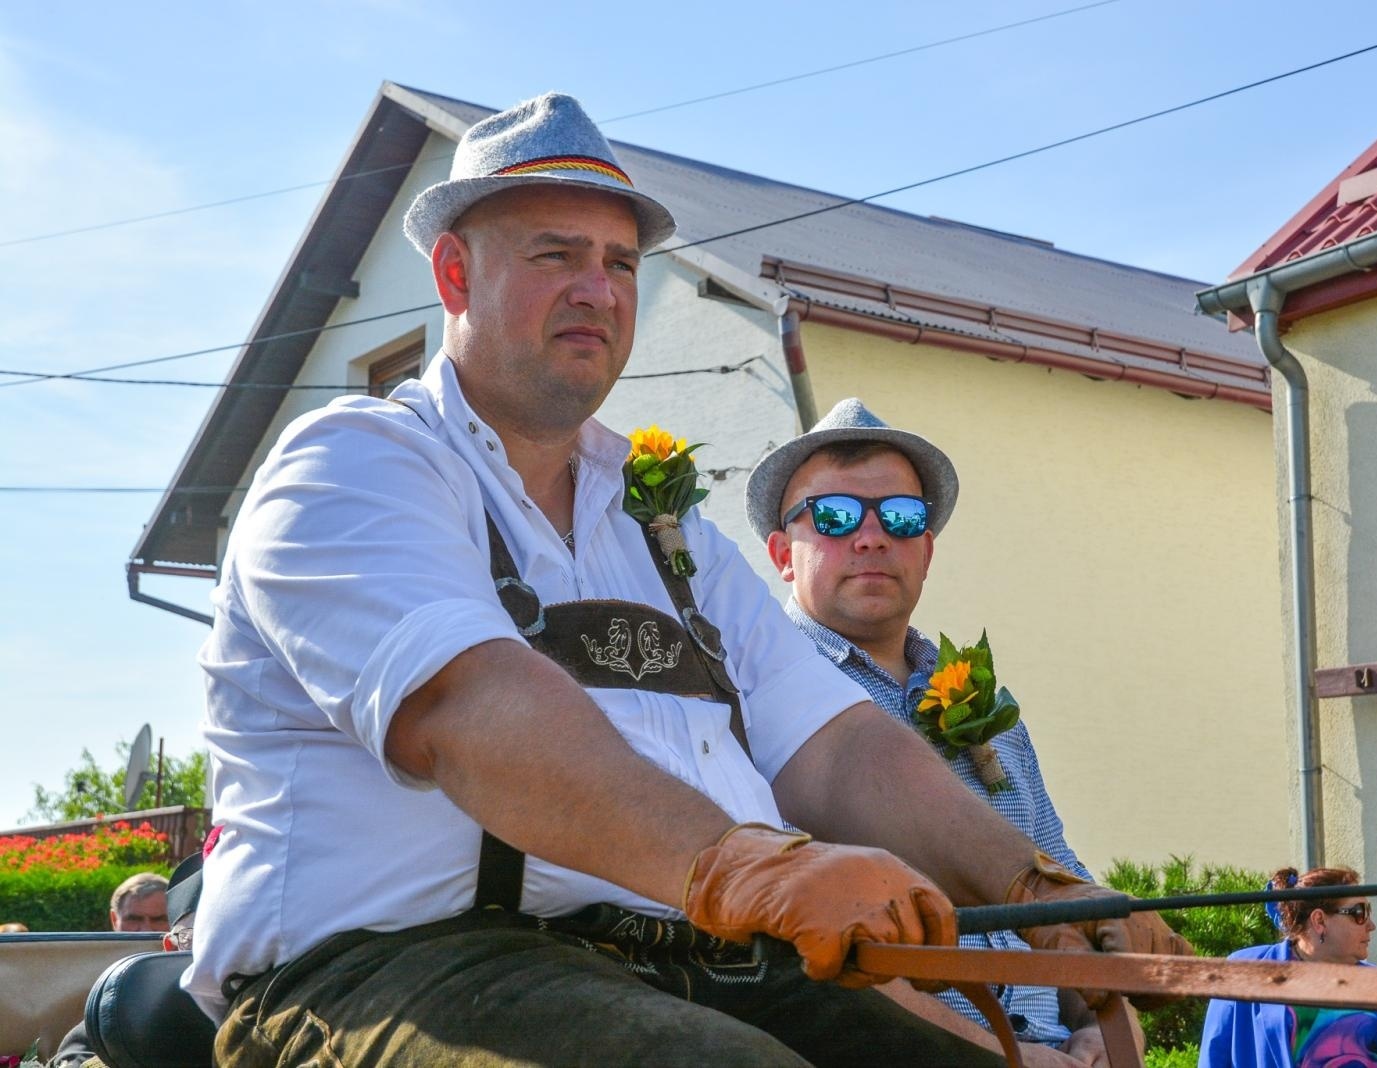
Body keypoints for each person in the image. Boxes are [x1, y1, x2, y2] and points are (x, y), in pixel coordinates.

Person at [188, 91, 1190, 1067]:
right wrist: (752, 866)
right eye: (556, 254)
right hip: (391, 974)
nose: (599, 288)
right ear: (454, 275)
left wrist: (1037, 889)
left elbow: (835, 746)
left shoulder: (664, 529)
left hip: (695, 964)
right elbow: (467, 706)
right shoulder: (353, 465)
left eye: (620, 262)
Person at [745, 398, 1130, 1067]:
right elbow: (787, 942)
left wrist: (1105, 1025)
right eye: (835, 516)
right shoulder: (753, 692)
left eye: (900, 516)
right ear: (784, 553)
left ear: (926, 549)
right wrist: (995, 1055)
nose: (871, 537)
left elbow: (1063, 888)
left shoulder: (987, 704)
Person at [1198, 866, 1377, 1068]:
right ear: (1319, 921)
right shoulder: (1243, 971)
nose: (1371, 925)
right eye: (1359, 913)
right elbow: (1213, 1060)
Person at [51, 853, 204, 1068]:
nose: (146, 929)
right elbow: (78, 1052)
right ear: (170, 945)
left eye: (158, 919)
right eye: (198, 937)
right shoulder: (133, 999)